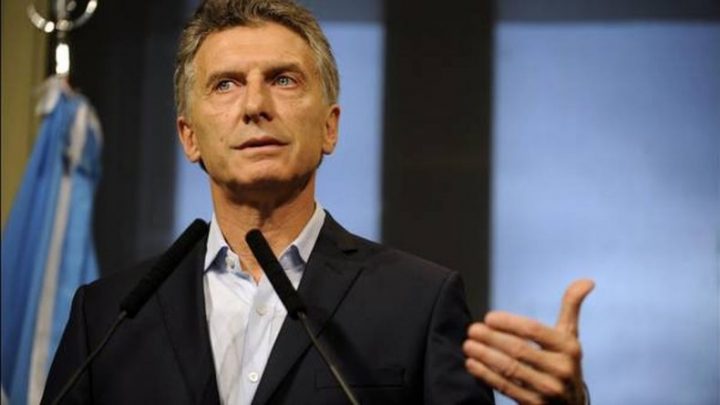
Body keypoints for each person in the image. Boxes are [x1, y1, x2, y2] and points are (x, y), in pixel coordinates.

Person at [42, 0, 591, 404]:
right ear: (189, 138)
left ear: (330, 127)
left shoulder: (420, 303)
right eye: (226, 84)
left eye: (283, 80)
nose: (255, 105)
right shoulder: (108, 316)